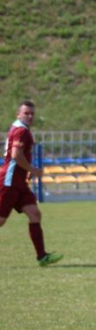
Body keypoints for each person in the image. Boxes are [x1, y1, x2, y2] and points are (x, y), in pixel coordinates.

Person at [0, 100, 63, 266]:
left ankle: (42, 256)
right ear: (18, 114)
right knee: (1, 220)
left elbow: (18, 156)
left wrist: (26, 170)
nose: (29, 116)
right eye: (26, 113)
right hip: (9, 182)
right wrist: (33, 169)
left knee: (35, 213)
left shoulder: (20, 128)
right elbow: (15, 155)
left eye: (32, 113)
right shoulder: (21, 130)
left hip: (19, 182)